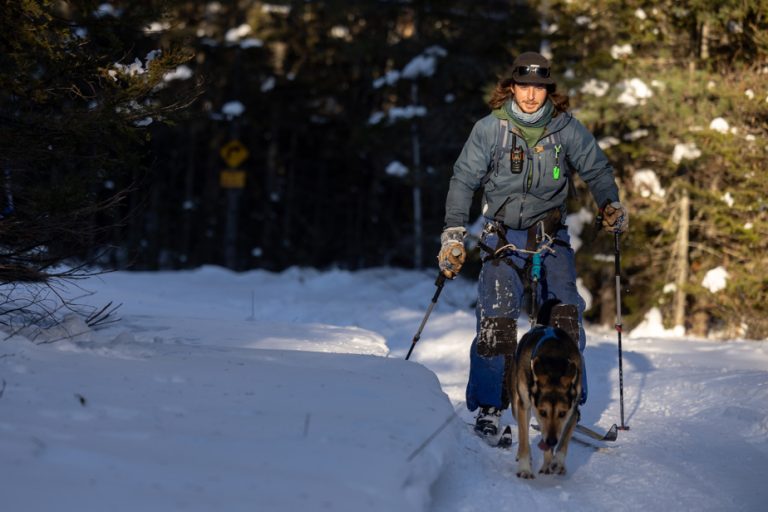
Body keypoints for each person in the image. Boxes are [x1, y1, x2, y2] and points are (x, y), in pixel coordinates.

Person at [437, 51, 628, 440]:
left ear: (548, 91)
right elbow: (462, 181)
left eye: (538, 88)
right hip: (502, 237)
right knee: (497, 322)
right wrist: (453, 235)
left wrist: (609, 203)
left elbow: (596, 168)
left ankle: (566, 399)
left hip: (549, 235)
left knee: (564, 319)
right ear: (511, 87)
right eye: (523, 86)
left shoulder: (566, 129)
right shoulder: (490, 129)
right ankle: (491, 407)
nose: (529, 95)